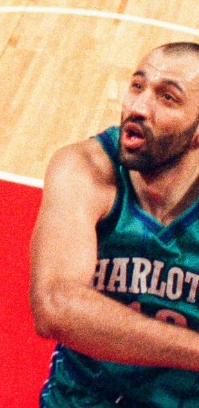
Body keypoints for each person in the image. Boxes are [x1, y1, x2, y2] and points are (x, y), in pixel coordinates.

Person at [31, 43, 199, 406]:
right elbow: (55, 307)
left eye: (168, 98)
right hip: (83, 398)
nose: (138, 108)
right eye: (137, 86)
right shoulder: (85, 168)